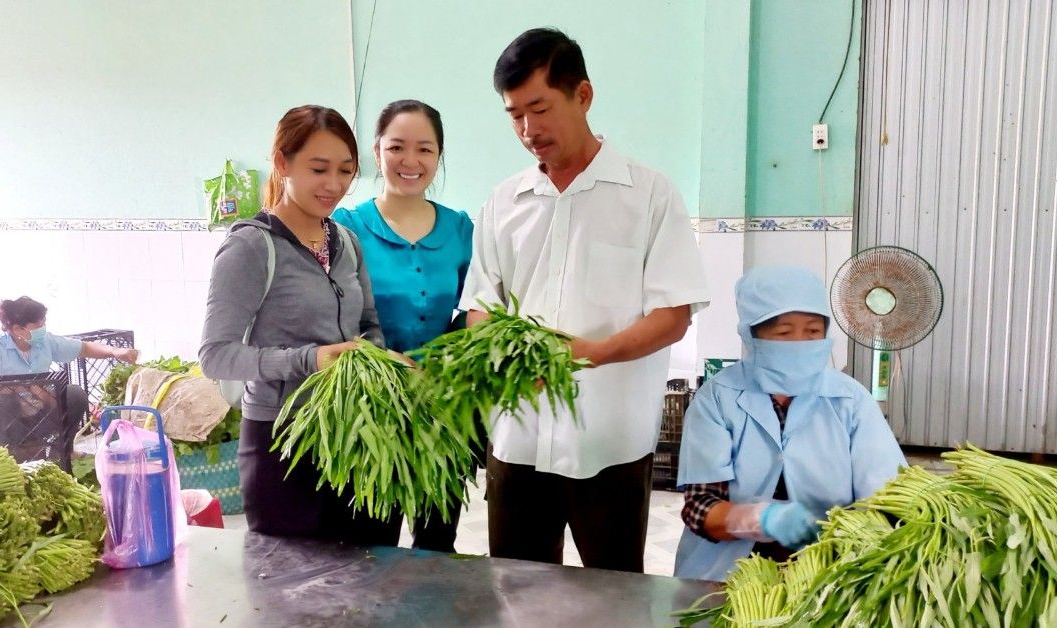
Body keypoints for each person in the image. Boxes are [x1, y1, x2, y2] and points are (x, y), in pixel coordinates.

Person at [459, 28, 709, 573]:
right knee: (517, 589)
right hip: (519, 436)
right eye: (515, 115)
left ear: (583, 95)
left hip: (611, 441)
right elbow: (480, 306)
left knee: (615, 591)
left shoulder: (649, 194)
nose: (528, 130)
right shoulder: (504, 201)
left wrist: (589, 354)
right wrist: (504, 358)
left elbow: (673, 317)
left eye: (540, 109)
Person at [199, 105, 398, 547]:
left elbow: (369, 324)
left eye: (346, 170)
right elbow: (215, 355)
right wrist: (310, 360)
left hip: (352, 431)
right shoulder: (251, 246)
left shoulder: (346, 242)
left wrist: (378, 360)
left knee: (364, 570)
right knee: (291, 577)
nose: (334, 184)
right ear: (282, 163)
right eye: (319, 169)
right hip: (282, 440)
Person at [673, 266, 905, 581]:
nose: (800, 343)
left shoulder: (850, 400)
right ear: (752, 335)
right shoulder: (716, 399)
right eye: (784, 333)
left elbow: (888, 496)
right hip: (726, 572)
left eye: (813, 331)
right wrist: (762, 519)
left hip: (828, 574)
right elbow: (699, 508)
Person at [332, 99, 477, 553]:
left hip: (442, 407)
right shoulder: (346, 227)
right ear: (377, 151)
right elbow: (331, 316)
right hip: (371, 408)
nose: (410, 161)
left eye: (425, 149)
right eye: (396, 147)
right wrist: (382, 361)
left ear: (439, 156)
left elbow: (475, 311)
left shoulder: (460, 229)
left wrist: (453, 356)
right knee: (371, 544)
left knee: (437, 543)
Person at [0, 296, 138, 444]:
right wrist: (28, 387)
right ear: (17, 329)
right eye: (38, 325)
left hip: (38, 411)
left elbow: (84, 348)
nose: (43, 328)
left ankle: (61, 448)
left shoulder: (46, 341)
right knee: (4, 400)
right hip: (4, 421)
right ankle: (10, 451)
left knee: (74, 394)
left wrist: (114, 351)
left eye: (43, 323)